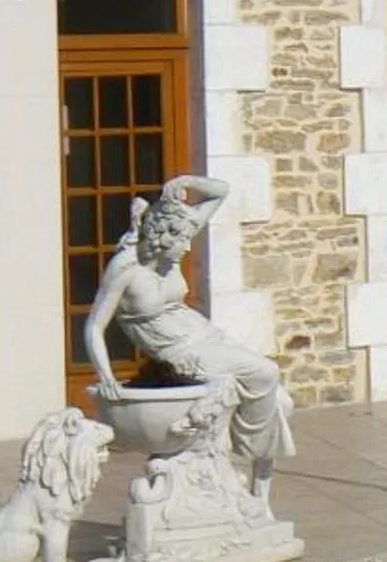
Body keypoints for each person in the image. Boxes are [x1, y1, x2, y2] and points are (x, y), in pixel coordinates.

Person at [85, 174, 294, 501]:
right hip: (180, 352)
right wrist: (106, 376)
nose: (187, 246)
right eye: (182, 241)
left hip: (207, 334)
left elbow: (221, 192)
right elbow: (95, 325)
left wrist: (185, 180)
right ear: (162, 237)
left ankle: (260, 492)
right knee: (266, 372)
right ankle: (243, 465)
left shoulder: (175, 233)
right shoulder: (125, 268)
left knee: (278, 399)